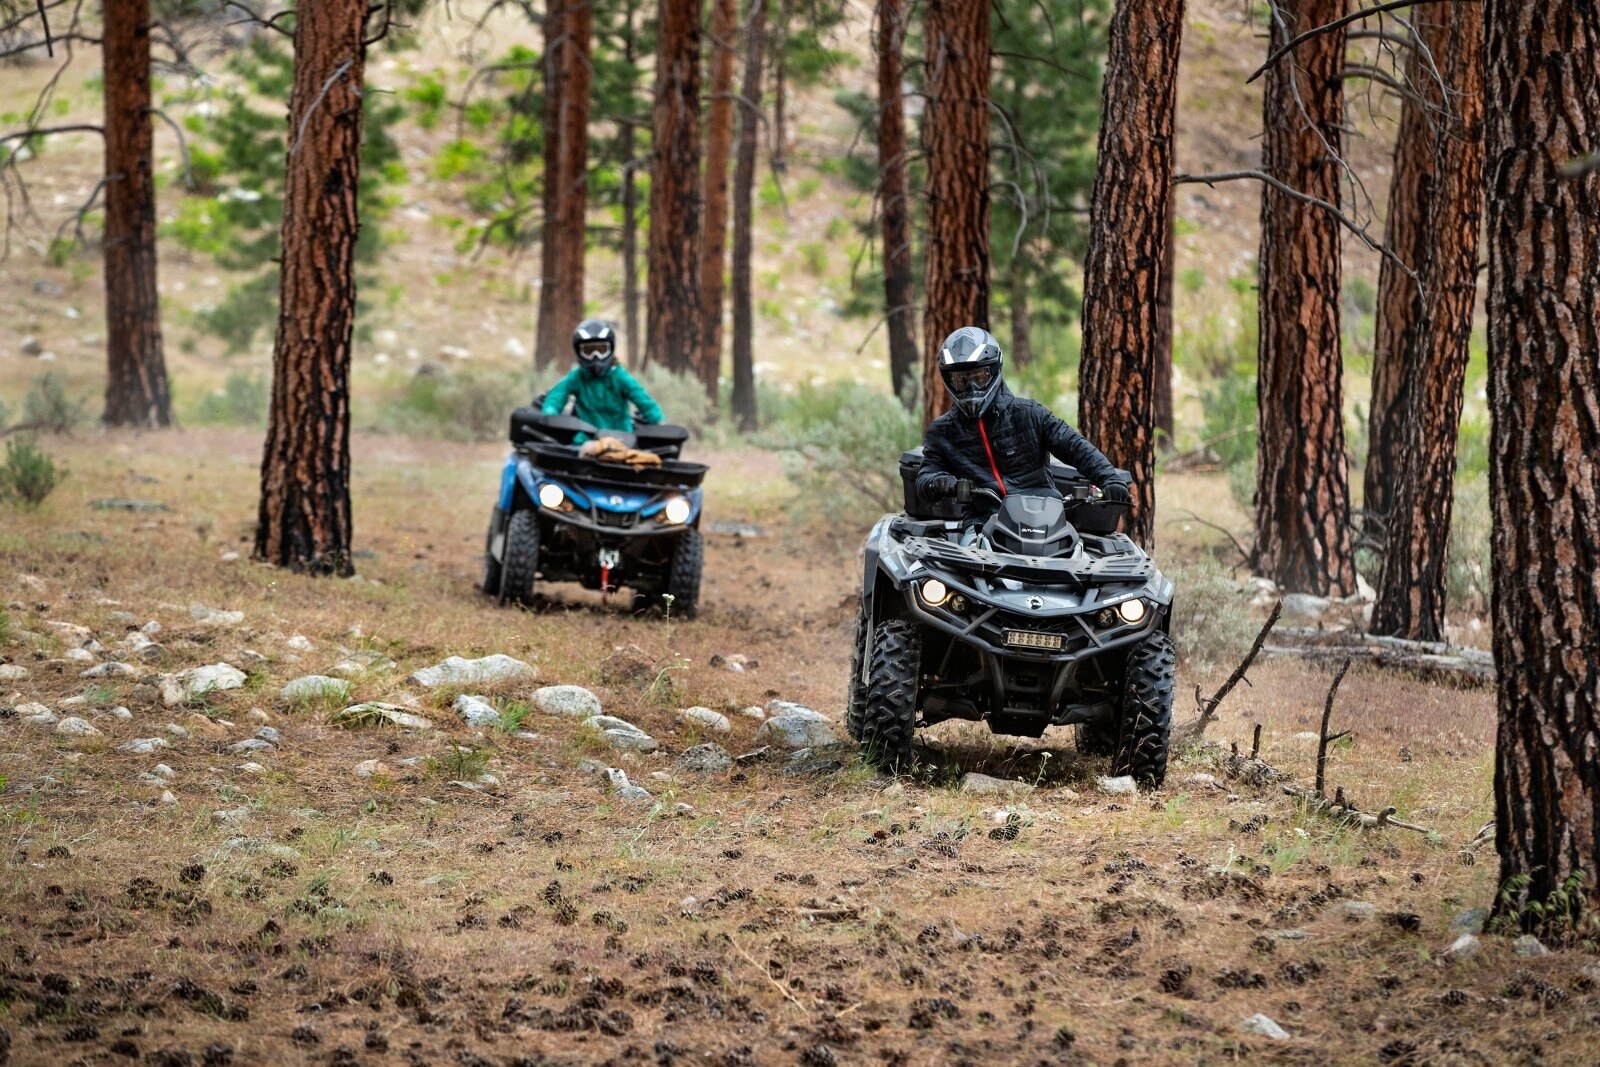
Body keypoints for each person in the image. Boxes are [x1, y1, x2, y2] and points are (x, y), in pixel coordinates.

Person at [916, 326, 1132, 508]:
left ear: (994, 370)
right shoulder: (942, 431)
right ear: (948, 380)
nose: (971, 387)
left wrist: (1110, 479)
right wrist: (940, 482)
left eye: (979, 377)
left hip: (1046, 516)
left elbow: (1075, 447)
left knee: (1077, 552)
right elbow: (924, 477)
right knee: (963, 553)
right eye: (961, 380)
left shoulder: (1030, 414)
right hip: (982, 522)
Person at [541, 319, 664, 433]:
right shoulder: (577, 377)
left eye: (601, 350)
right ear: (579, 351)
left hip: (622, 441)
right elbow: (555, 398)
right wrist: (550, 414)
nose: (596, 356)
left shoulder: (620, 377)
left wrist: (658, 421)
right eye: (589, 351)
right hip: (585, 442)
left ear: (611, 349)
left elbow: (644, 401)